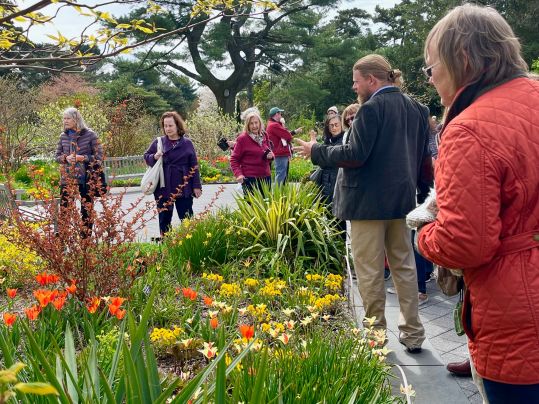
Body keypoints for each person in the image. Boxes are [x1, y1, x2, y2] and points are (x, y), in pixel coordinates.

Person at [417, 4, 539, 402]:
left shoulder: (469, 128)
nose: (432, 80)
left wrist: (424, 233)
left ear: (462, 59)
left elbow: (465, 242)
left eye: (431, 69)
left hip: (518, 316)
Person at [295, 54, 432, 353]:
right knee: (405, 266)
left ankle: (375, 336)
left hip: (367, 204)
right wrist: (423, 195)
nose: (354, 86)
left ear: (372, 80)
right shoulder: (418, 110)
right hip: (403, 203)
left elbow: (355, 154)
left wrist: (317, 151)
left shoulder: (371, 109)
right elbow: (423, 159)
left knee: (369, 271)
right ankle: (413, 333)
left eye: (356, 81)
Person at [144, 111, 202, 236]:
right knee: (164, 221)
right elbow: (146, 156)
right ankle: (166, 248)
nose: (168, 128)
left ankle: (190, 245)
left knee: (187, 220)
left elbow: (194, 166)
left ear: (177, 125)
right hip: (164, 187)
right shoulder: (159, 142)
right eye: (165, 126)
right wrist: (154, 156)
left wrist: (197, 186)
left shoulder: (187, 143)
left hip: (184, 186)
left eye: (170, 125)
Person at [55, 107, 103, 236]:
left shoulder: (90, 135)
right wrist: (66, 158)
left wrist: (83, 158)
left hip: (86, 178)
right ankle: (63, 240)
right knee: (64, 209)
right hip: (67, 178)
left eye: (68, 118)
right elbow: (57, 157)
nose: (65, 121)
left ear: (76, 119)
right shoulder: (63, 136)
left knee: (86, 210)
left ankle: (85, 240)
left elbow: (99, 157)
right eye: (64, 118)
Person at [311, 114, 346, 237]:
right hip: (326, 183)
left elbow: (331, 159)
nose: (334, 128)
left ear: (342, 125)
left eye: (336, 125)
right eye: (331, 125)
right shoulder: (328, 141)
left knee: (338, 220)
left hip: (337, 184)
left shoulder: (344, 141)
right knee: (328, 216)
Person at [230, 111, 274, 196]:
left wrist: (271, 156)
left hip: (265, 177)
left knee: (266, 206)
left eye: (256, 123)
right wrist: (238, 174)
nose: (254, 126)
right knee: (252, 207)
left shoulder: (265, 135)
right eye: (251, 124)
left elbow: (269, 151)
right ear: (247, 125)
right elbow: (234, 159)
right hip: (250, 179)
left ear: (260, 123)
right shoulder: (242, 139)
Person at [266, 107, 302, 185]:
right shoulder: (274, 125)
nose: (281, 116)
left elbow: (284, 134)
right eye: (280, 114)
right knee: (281, 175)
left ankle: (280, 194)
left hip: (279, 152)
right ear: (276, 114)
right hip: (280, 153)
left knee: (282, 175)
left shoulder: (272, 124)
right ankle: (277, 194)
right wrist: (283, 124)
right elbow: (288, 136)